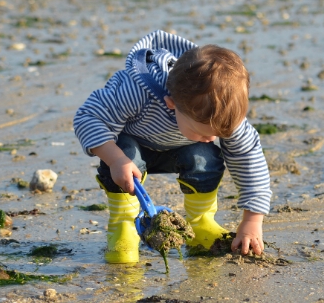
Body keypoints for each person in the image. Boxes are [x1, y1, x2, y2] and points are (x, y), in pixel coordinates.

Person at [73, 30, 272, 264]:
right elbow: (88, 117)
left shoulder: (223, 114)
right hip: (131, 154)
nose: (211, 139)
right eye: (203, 132)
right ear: (171, 104)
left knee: (205, 155)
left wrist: (252, 220)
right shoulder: (136, 91)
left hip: (180, 150)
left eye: (217, 135)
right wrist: (115, 160)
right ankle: (124, 226)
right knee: (125, 150)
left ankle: (201, 223)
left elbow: (249, 160)